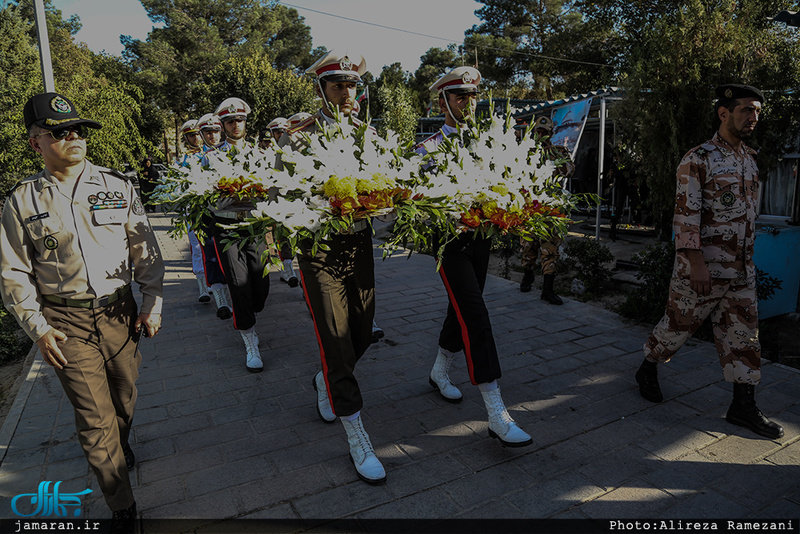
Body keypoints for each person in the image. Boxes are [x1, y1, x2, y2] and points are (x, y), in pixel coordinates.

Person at [0, 92, 164, 525]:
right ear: (36, 142)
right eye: (59, 132)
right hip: (65, 321)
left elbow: (145, 249)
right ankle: (122, 504)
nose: (72, 136)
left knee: (123, 396)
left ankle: (120, 441)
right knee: (94, 417)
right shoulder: (22, 201)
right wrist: (37, 327)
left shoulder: (117, 185)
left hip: (120, 313)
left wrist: (153, 302)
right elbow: (13, 271)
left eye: (77, 129)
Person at [635, 84, 783, 440]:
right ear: (724, 113)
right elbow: (686, 216)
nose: (754, 117)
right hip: (703, 267)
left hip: (741, 269)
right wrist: (696, 263)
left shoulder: (750, 158)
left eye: (757, 111)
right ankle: (648, 367)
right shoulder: (697, 158)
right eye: (747, 109)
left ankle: (743, 406)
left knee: (744, 337)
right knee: (677, 326)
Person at [278, 50, 386, 485]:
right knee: (335, 336)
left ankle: (327, 380)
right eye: (338, 84)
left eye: (352, 84)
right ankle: (356, 432)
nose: (346, 92)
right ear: (321, 87)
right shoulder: (298, 136)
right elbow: (281, 188)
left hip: (358, 242)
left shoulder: (368, 133)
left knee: (361, 330)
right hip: (316, 246)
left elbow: (384, 183)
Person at [417, 66, 532, 448]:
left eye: (472, 96)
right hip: (449, 242)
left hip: (481, 239)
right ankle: (497, 412)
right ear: (443, 101)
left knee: (463, 308)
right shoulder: (427, 148)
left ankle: (438, 371)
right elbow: (417, 202)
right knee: (476, 316)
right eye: (459, 96)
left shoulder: (489, 143)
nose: (467, 103)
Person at [207, 97, 270, 372]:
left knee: (261, 278)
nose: (235, 125)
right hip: (226, 226)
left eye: (240, 120)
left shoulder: (259, 154)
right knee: (238, 282)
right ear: (223, 125)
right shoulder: (211, 158)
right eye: (230, 121)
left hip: (254, 225)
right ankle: (249, 339)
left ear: (246, 122)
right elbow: (204, 195)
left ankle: (249, 313)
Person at [519, 115, 574, 305]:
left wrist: (555, 156)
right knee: (528, 245)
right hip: (530, 205)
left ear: (551, 134)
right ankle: (527, 276)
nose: (541, 135)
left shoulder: (559, 151)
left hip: (550, 206)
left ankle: (547, 290)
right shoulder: (526, 152)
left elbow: (569, 170)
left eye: (545, 133)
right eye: (538, 132)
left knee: (550, 249)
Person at [177, 119, 213, 305]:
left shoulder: (214, 153)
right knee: (197, 246)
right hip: (193, 209)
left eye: (199, 134)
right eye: (192, 135)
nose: (196, 138)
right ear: (186, 138)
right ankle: (202, 284)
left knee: (213, 245)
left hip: (212, 207)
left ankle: (216, 282)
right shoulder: (183, 159)